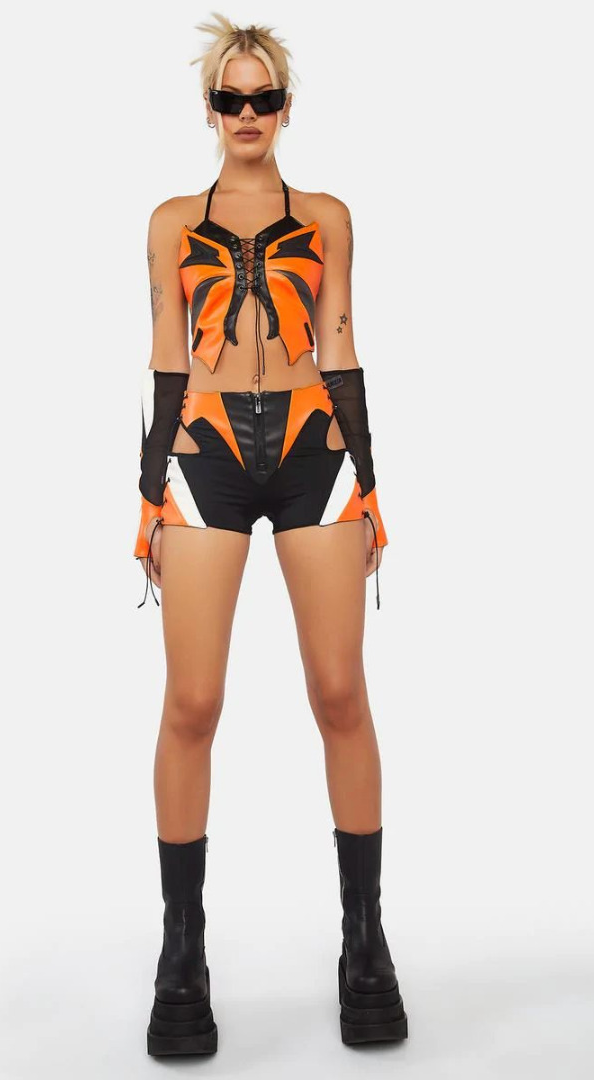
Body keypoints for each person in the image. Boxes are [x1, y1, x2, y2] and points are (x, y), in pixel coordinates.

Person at [134, 14, 408, 1055]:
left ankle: (364, 941)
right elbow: (165, 357)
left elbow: (340, 344)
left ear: (285, 108)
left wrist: (368, 482)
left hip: (311, 448)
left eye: (263, 98)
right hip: (203, 450)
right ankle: (182, 952)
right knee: (192, 702)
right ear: (208, 108)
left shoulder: (327, 217)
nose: (246, 114)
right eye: (229, 98)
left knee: (338, 691)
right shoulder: (171, 222)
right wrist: (148, 493)